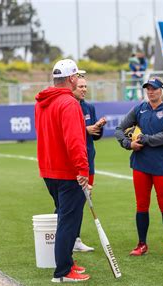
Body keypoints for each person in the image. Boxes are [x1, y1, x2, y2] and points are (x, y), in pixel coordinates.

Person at [35, 59, 90, 282]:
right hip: (67, 172)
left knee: (64, 218)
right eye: (76, 75)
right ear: (71, 79)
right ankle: (63, 271)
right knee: (68, 221)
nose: (78, 79)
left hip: (49, 170)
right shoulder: (68, 104)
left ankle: (66, 262)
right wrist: (83, 170)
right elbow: (75, 141)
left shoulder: (41, 102)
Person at [114, 77, 163, 257]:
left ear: (162, 90)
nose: (150, 92)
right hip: (141, 164)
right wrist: (128, 144)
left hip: (162, 165)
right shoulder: (140, 108)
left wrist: (145, 139)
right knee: (142, 205)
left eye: (154, 88)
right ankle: (142, 244)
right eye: (148, 89)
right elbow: (119, 129)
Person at [71, 76, 107, 252]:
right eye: (80, 86)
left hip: (88, 159)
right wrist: (86, 129)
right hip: (73, 162)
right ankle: (65, 239)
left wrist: (98, 127)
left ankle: (75, 239)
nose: (84, 89)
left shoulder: (89, 107)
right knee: (70, 202)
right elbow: (70, 133)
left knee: (83, 200)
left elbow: (94, 136)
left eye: (85, 86)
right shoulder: (68, 105)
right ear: (72, 87)